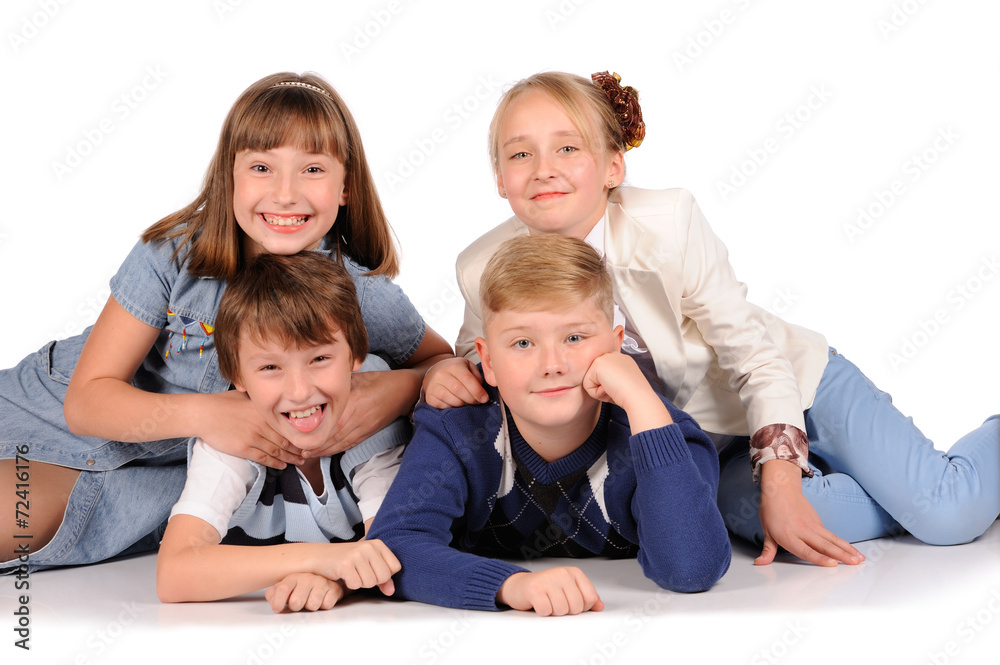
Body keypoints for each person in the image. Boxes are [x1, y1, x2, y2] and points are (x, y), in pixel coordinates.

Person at [422, 70, 1000, 567]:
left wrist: (778, 473)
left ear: (613, 166)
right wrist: (446, 369)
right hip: (707, 442)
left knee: (947, 514)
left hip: (791, 385)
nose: (543, 169)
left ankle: (902, 475)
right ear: (500, 178)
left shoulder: (668, 223)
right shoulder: (482, 265)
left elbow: (752, 352)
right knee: (786, 533)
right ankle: (860, 485)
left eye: (568, 148)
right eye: (520, 153)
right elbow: (488, 359)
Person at [0, 72, 453, 574]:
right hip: (45, 412)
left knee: (15, 524)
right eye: (262, 167)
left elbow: (441, 362)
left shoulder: (359, 293)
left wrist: (392, 390)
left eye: (312, 169)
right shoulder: (173, 256)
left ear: (345, 187)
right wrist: (209, 414)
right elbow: (86, 401)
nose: (285, 194)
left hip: (153, 480)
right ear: (230, 178)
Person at [369, 235, 731, 615]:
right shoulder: (459, 424)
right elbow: (395, 548)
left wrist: (642, 401)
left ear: (615, 346)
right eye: (523, 343)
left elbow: (693, 569)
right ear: (487, 361)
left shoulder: (660, 431)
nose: (552, 364)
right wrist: (510, 585)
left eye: (574, 337)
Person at [157, 251, 402, 613]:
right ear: (236, 376)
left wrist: (335, 581)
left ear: (355, 354)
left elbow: (392, 547)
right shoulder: (234, 432)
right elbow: (174, 573)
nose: (300, 391)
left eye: (319, 359)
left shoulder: (370, 409)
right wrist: (322, 561)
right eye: (271, 366)